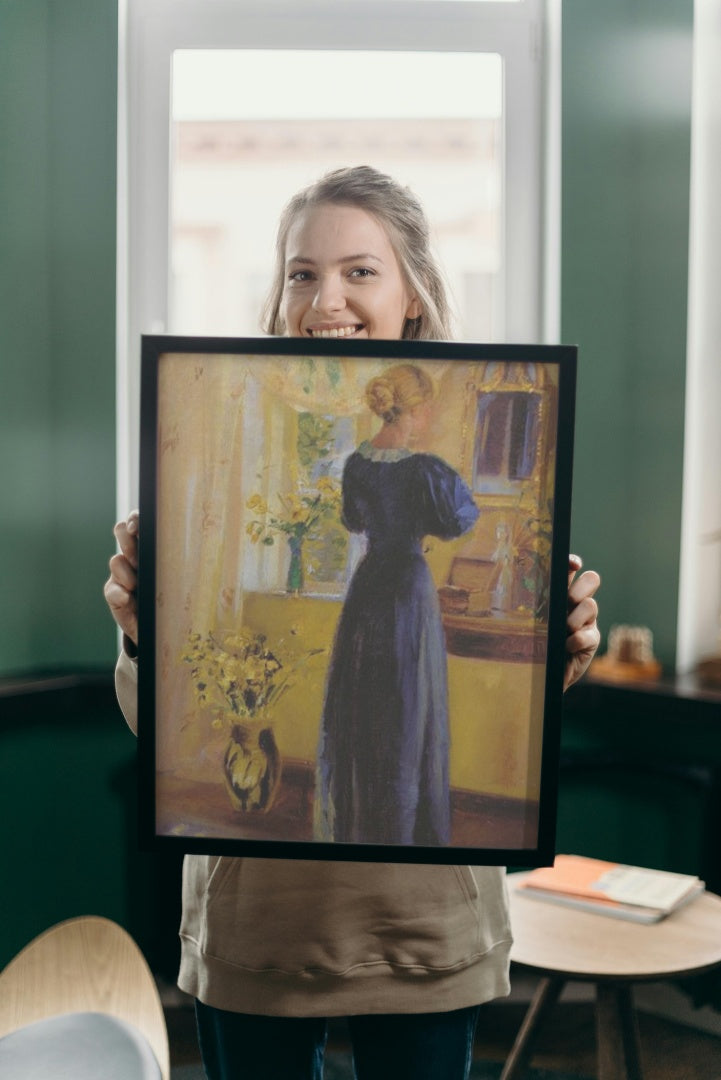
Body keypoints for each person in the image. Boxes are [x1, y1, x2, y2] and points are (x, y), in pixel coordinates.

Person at [105, 166, 601, 1080]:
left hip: (422, 927)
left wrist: (560, 650)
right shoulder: (399, 460)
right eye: (301, 272)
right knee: (392, 710)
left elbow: (356, 527)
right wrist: (142, 634)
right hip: (259, 929)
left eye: (359, 271)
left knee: (382, 710)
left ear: (413, 292)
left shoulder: (366, 469)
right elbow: (157, 727)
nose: (324, 297)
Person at [316, 364, 480, 847]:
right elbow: (459, 519)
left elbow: (352, 519)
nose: (429, 413)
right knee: (408, 704)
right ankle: (406, 831)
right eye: (426, 404)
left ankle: (363, 823)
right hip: (408, 590)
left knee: (366, 704)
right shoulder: (424, 469)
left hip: (369, 590)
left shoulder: (356, 465)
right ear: (413, 410)